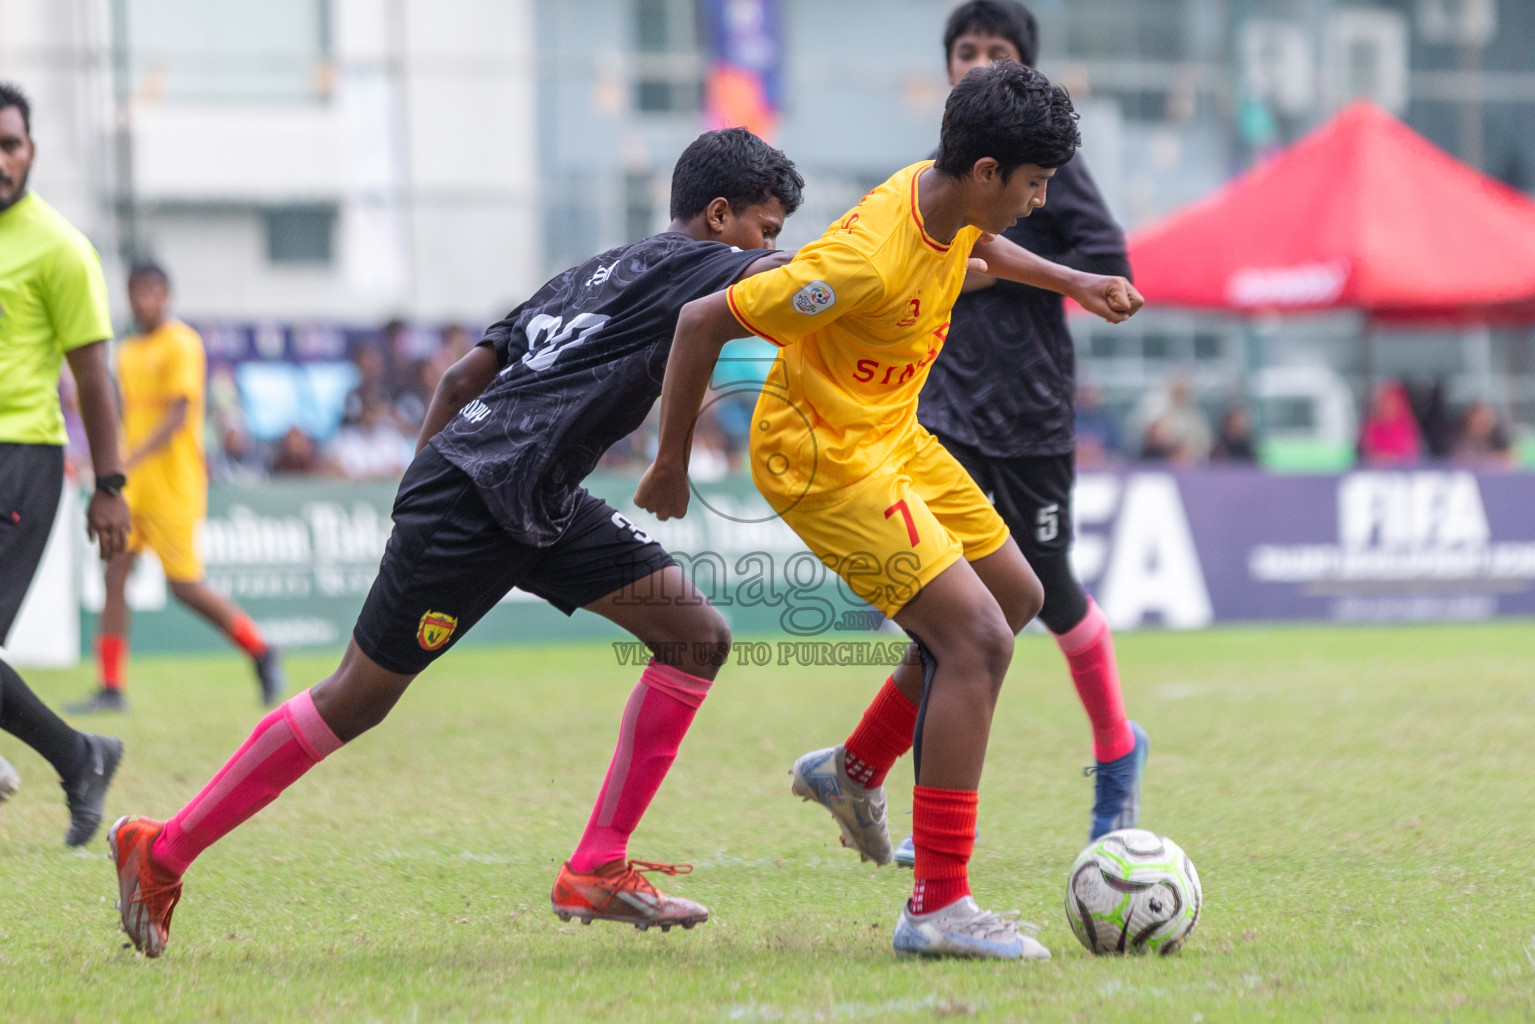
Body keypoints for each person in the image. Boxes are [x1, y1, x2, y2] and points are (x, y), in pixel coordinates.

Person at [107, 127, 803, 958]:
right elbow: (800, 282)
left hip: (524, 493)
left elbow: (460, 380)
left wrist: (419, 487)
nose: (773, 248)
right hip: (478, 499)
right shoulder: (708, 266)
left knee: (694, 637)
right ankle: (163, 848)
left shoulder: (584, 273)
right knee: (355, 700)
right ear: (719, 216)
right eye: (766, 230)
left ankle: (597, 866)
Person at [635, 62, 1142, 960]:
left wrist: (1071, 281)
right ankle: (937, 906)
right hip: (821, 454)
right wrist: (669, 462)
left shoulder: (944, 197)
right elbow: (700, 322)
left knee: (1014, 602)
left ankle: (854, 767)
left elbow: (977, 252)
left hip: (892, 434)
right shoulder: (861, 260)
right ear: (986, 172)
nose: (1041, 198)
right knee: (977, 642)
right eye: (1033, 183)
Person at [894, 0, 1147, 869]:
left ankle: (1118, 750)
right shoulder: (935, 176)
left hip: (1030, 407)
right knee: (944, 606)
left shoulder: (1044, 169)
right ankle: (918, 811)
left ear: (1024, 67)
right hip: (943, 409)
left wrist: (978, 277)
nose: (975, 60)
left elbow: (1107, 257)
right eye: (964, 49)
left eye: (994, 50)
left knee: (1047, 589)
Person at [70, 263, 287, 714]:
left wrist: (124, 459)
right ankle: (111, 688)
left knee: (185, 586)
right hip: (133, 487)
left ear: (167, 295)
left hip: (174, 484)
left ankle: (262, 650)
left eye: (152, 291)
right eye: (135, 292)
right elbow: (125, 417)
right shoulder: (127, 351)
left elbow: (176, 417)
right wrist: (106, 461)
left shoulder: (183, 343)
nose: (143, 300)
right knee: (114, 575)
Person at [0, 81, 126, 844]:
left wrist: (110, 485)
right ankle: (82, 756)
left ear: (30, 152)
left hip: (21, 461)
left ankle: (81, 758)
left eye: (9, 145)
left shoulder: (59, 247)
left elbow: (93, 378)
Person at [1357, 379, 1422, 466]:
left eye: (1391, 402)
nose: (1387, 407)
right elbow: (1366, 453)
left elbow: (1412, 454)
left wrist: (1391, 458)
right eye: (1383, 403)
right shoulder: (1370, 428)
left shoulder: (1407, 427)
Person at [1449, 399, 1512, 469]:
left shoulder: (1497, 440)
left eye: (1484, 422)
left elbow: (1508, 459)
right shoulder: (1460, 443)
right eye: (1477, 421)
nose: (1481, 425)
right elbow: (1462, 460)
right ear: (1469, 422)